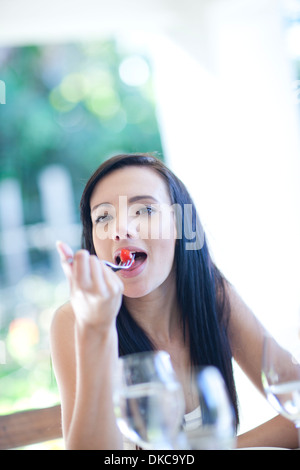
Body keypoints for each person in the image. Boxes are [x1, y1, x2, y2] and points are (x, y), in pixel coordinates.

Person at [50, 153, 298, 450]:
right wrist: (97, 328)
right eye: (103, 216)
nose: (120, 229)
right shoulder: (75, 321)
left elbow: (294, 405)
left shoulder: (214, 295)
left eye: (144, 210)